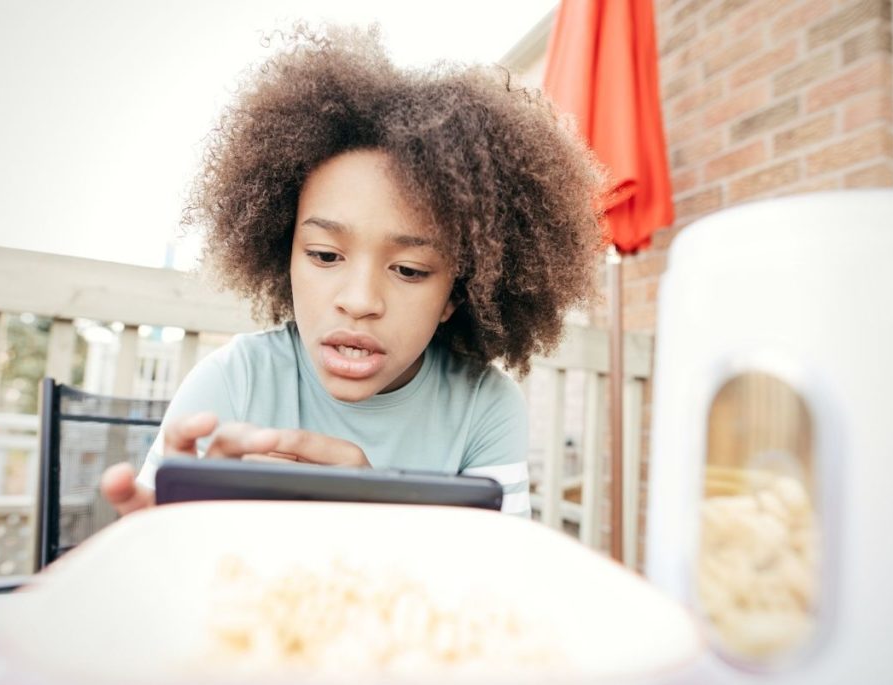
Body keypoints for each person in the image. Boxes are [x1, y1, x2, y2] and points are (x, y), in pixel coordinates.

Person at [100, 25, 604, 518]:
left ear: (458, 292)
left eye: (408, 269)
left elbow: (496, 592)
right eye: (324, 255)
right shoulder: (235, 382)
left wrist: (373, 518)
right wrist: (157, 538)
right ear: (285, 254)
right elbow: (155, 556)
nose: (360, 300)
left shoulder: (483, 408)